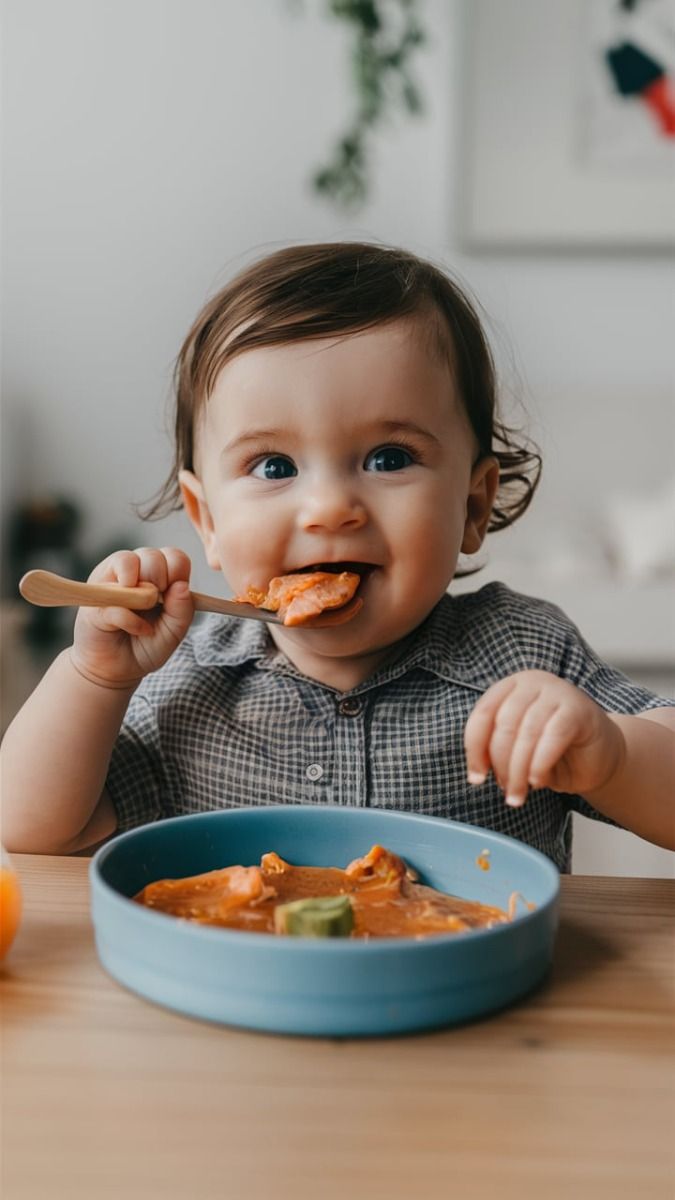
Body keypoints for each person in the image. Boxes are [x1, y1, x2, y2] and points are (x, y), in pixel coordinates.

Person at [2, 243, 673, 868]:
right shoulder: (185, 681)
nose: (328, 507)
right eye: (273, 465)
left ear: (471, 505)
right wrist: (94, 679)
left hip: (482, 991)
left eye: (388, 458)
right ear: (207, 519)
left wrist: (611, 757)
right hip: (237, 992)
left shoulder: (523, 650)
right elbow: (31, 829)